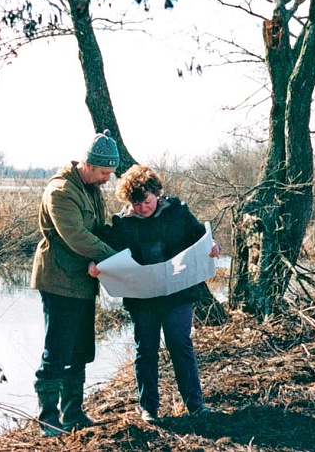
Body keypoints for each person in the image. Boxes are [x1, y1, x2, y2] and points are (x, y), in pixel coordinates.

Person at [88, 164, 220, 422]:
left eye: (146, 202)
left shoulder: (178, 212)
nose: (142, 208)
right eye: (135, 204)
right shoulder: (123, 224)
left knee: (179, 343)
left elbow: (200, 237)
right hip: (142, 299)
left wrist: (213, 245)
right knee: (145, 349)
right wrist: (96, 266)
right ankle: (149, 409)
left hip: (179, 294)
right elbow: (106, 250)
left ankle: (195, 405)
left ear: (156, 194)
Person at [30, 129, 120, 436]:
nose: (109, 178)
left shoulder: (91, 188)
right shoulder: (61, 191)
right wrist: (115, 258)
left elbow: (98, 230)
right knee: (56, 350)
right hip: (58, 281)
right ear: (90, 165)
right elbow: (77, 237)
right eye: (106, 172)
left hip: (82, 282)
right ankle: (48, 420)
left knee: (79, 351)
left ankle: (73, 414)